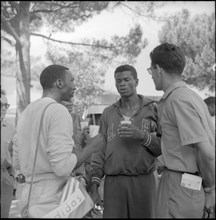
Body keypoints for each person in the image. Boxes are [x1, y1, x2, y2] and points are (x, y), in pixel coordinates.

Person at [13, 64, 105, 218]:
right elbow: (62, 167)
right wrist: (91, 147)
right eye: (72, 81)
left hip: (28, 197)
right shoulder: (58, 111)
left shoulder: (27, 111)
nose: (75, 87)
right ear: (59, 83)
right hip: (53, 201)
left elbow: (17, 160)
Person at [148, 42, 215, 218]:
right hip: (188, 184)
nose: (152, 76)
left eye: (150, 71)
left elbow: (206, 152)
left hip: (180, 186)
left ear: (158, 69)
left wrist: (210, 190)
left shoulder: (177, 101)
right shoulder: (193, 97)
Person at [89, 64, 161, 218]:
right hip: (114, 182)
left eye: (127, 80)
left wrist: (142, 135)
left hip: (144, 180)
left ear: (136, 81)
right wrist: (94, 186)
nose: (121, 84)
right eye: (118, 81)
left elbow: (164, 147)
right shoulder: (108, 113)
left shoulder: (153, 109)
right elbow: (99, 151)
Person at [1, 89, 16, 218]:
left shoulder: (10, 127)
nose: (4, 108)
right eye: (1, 104)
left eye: (6, 105)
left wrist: (12, 177)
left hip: (5, 178)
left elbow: (15, 152)